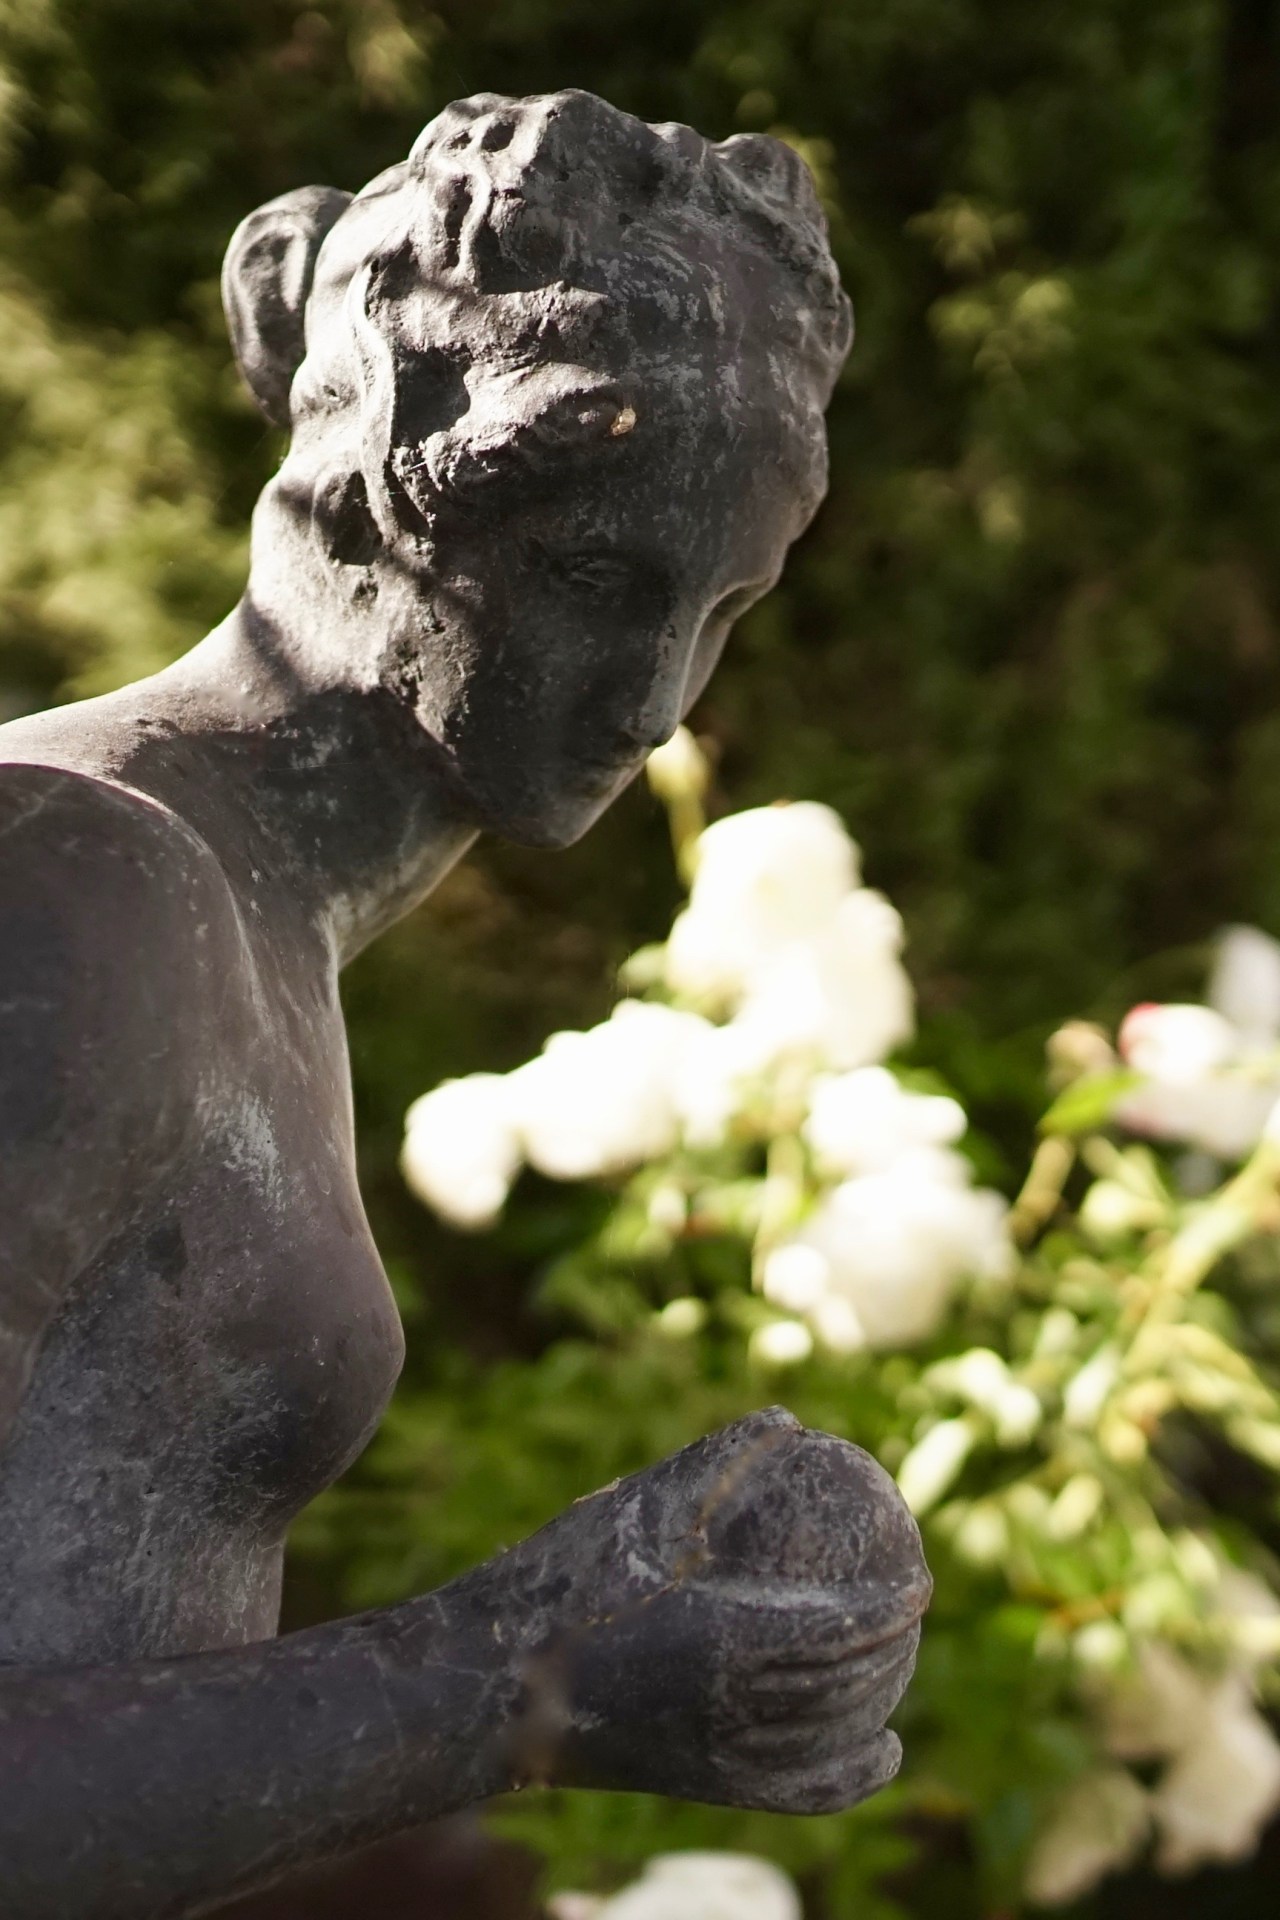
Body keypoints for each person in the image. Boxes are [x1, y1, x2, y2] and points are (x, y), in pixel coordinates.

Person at [0, 90, 928, 1915]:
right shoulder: (68, 890)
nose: (657, 697)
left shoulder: (248, 934)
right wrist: (525, 1672)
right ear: (377, 484)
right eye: (596, 578)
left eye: (720, 607)